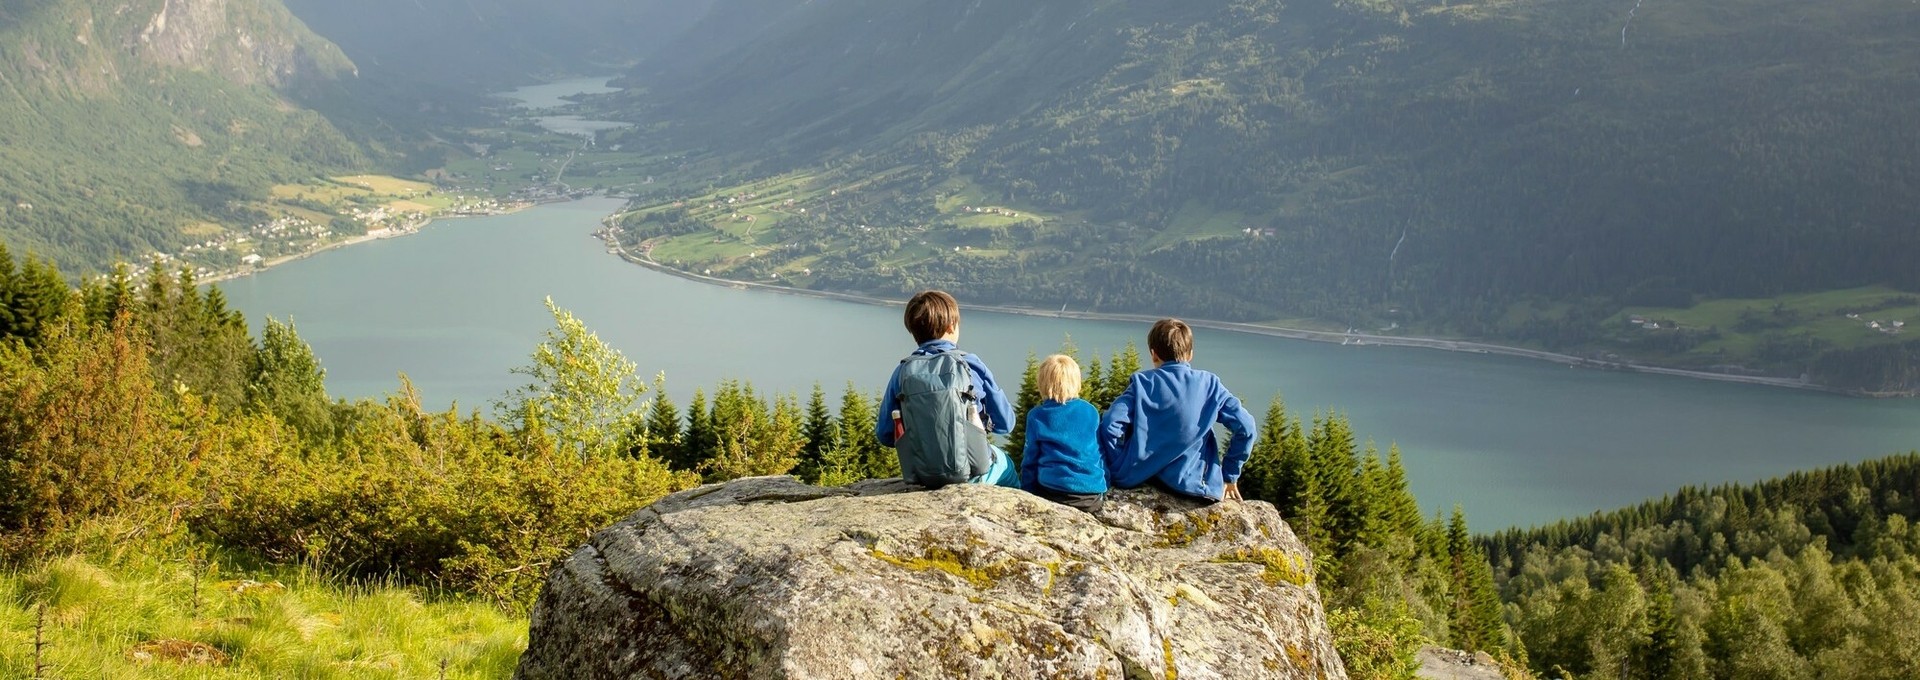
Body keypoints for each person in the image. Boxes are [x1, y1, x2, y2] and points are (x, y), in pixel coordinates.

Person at [1100, 319, 1256, 502]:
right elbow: (1247, 428)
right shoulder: (1210, 384)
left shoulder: (1142, 383)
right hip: (1195, 486)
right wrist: (1230, 475)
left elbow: (1111, 424)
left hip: (1139, 476)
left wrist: (1120, 464)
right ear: (1190, 354)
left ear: (1154, 354)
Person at [876, 290, 1019, 487]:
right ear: (952, 326)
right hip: (973, 473)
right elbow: (1006, 423)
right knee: (1007, 466)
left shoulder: (902, 371)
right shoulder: (971, 363)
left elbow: (885, 434)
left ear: (913, 331)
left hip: (922, 476)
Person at [1019, 354, 1107, 512]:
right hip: (1090, 496)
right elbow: (1099, 452)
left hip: (1052, 492)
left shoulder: (1037, 415)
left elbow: (1030, 461)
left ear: (1043, 383)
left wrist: (1027, 494)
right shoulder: (1090, 411)